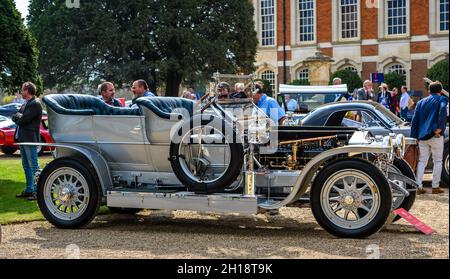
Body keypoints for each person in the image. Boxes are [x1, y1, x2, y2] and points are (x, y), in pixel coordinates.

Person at [411, 82, 448, 195]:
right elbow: (443, 111)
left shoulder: (421, 102)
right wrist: (440, 127)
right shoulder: (442, 99)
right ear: (440, 91)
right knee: (438, 161)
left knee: (422, 161)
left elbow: (414, 120)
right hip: (435, 135)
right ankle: (435, 187)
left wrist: (414, 136)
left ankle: (418, 186)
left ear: (429, 91)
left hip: (422, 136)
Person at [12, 82, 43, 201]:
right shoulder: (26, 103)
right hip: (23, 139)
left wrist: (18, 117)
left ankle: (37, 191)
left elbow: (22, 120)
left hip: (30, 139)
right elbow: (15, 116)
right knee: (26, 165)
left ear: (27, 90)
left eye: (22, 90)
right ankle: (29, 189)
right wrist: (18, 117)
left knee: (34, 165)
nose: (21, 92)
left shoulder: (35, 104)